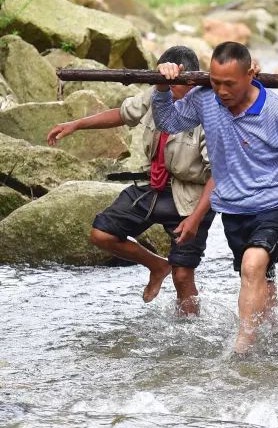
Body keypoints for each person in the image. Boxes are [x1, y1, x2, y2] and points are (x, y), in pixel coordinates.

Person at [153, 41, 278, 353]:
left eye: (229, 84)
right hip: (236, 207)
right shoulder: (204, 99)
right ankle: (273, 339)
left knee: (252, 264)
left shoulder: (274, 109)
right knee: (261, 274)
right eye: (216, 82)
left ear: (251, 74)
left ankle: (243, 350)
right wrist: (162, 87)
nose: (221, 91)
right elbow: (168, 122)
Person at [47, 46, 215, 316]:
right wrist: (76, 124)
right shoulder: (159, 92)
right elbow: (122, 114)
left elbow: (218, 176)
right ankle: (157, 265)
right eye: (164, 84)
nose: (169, 90)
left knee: (183, 276)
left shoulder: (209, 112)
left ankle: (190, 337)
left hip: (193, 199)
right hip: (156, 188)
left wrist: (194, 220)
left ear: (192, 80)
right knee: (102, 233)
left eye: (174, 84)